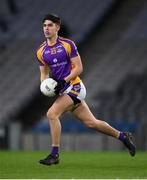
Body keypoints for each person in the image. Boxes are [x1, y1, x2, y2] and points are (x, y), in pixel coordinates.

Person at [36, 13, 136, 166]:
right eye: (44, 25)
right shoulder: (41, 51)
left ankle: (54, 154)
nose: (46, 28)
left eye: (50, 25)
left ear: (57, 27)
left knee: (51, 114)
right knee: (92, 123)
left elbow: (79, 68)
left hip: (75, 87)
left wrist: (63, 81)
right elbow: (44, 74)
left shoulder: (68, 44)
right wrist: (46, 87)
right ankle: (123, 137)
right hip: (64, 91)